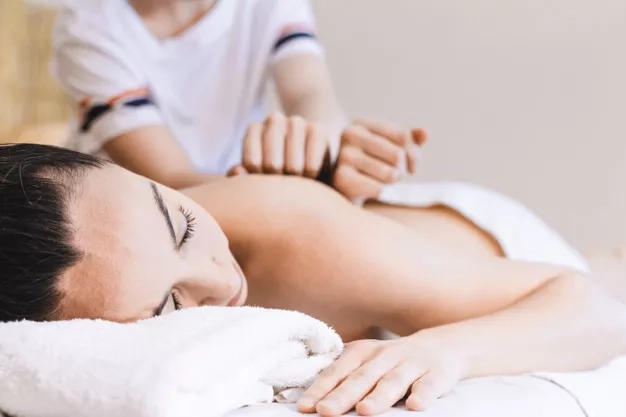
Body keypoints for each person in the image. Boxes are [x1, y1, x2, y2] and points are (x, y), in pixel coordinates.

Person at [1, 143, 625, 417]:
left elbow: (596, 312)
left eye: (185, 223)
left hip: (478, 243)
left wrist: (443, 348)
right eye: (169, 307)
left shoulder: (298, 236)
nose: (221, 283)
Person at [52, 0, 426, 200]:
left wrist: (333, 154)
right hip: (147, 206)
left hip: (242, 192)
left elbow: (310, 93)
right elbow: (172, 181)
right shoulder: (88, 26)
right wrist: (309, 189)